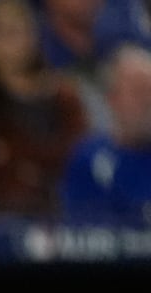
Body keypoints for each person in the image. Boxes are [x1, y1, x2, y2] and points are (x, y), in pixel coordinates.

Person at [0, 0, 88, 216]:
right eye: (1, 34)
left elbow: (77, 155)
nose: (10, 43)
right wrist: (26, 164)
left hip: (53, 206)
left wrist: (7, 154)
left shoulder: (63, 96)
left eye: (17, 33)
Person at [62, 43, 151, 221]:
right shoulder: (89, 158)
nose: (148, 102)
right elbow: (79, 231)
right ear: (113, 99)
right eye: (139, 92)